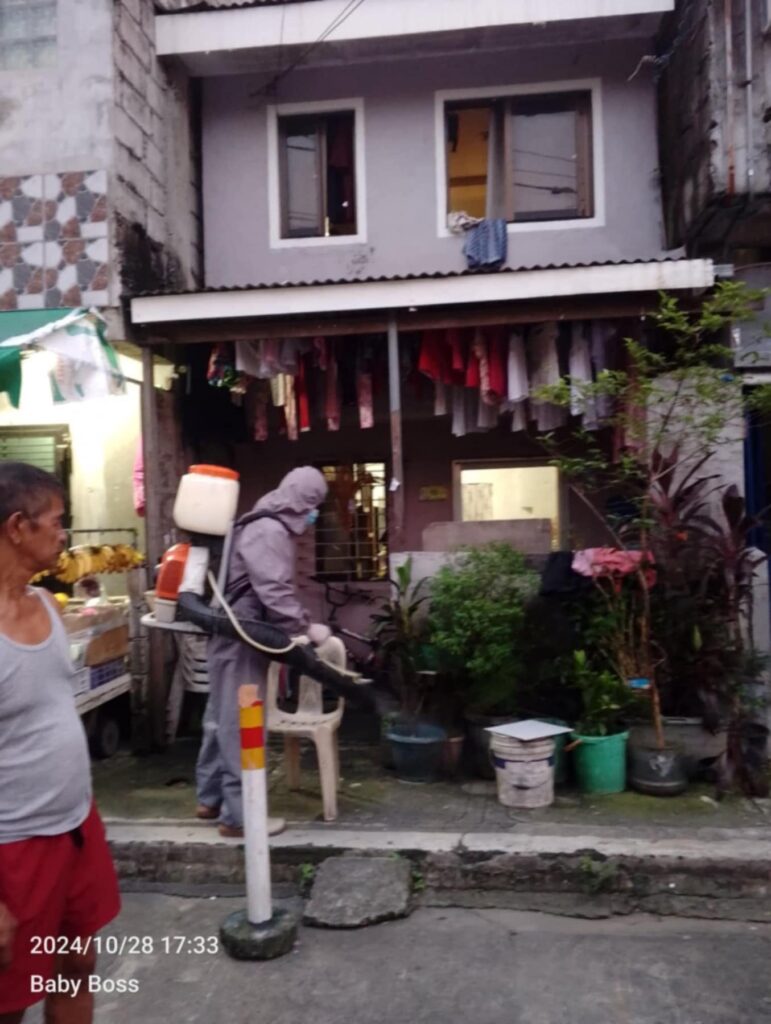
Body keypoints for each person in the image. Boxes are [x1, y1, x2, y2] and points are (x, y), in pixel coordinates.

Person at [0, 462, 120, 1024]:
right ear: (17, 527)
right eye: (55, 521)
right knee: (9, 1001)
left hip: (75, 826)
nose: (64, 534)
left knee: (75, 967)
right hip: (14, 847)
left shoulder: (49, 605)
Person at [195, 466, 332, 838]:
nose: (314, 515)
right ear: (304, 501)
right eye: (314, 506)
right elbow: (274, 591)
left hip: (231, 634)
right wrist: (305, 627)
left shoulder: (258, 520)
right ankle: (239, 817)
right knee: (240, 725)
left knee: (219, 717)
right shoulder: (269, 530)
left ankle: (210, 798)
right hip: (241, 637)